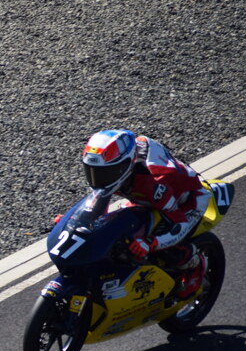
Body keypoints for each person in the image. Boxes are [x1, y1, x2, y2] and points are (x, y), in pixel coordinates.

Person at [80, 128, 210, 299]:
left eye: (104, 173)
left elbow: (179, 223)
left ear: (125, 165)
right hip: (145, 198)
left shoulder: (153, 184)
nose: (97, 178)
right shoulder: (116, 171)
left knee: (165, 248)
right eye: (92, 171)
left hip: (186, 203)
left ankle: (194, 264)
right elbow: (100, 200)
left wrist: (150, 243)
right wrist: (79, 221)